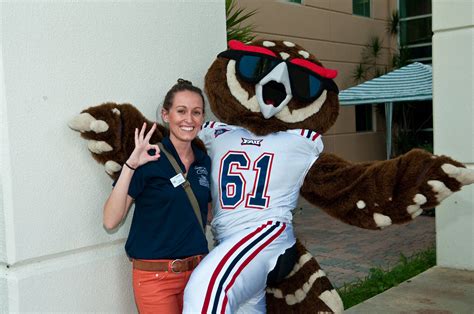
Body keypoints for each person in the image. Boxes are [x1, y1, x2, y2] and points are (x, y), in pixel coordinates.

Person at [103, 79, 211, 313]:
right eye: (181, 111)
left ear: (203, 118)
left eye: (196, 112)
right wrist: (131, 165)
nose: (189, 119)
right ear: (166, 114)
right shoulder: (148, 159)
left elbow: (209, 214)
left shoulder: (205, 162)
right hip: (156, 278)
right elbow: (110, 220)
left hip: (199, 275)